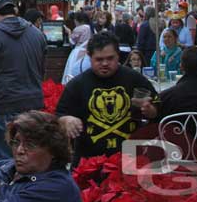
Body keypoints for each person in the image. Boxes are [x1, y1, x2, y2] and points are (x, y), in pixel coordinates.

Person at [56, 32, 160, 166]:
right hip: (89, 162)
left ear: (119, 55)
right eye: (99, 59)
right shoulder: (77, 85)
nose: (105, 63)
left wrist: (151, 110)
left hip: (130, 159)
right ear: (90, 57)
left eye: (110, 58)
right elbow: (59, 115)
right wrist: (66, 120)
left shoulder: (135, 78)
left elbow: (157, 105)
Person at [0, 111, 82, 202]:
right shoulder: (2, 166)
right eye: (16, 142)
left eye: (30, 144)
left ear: (53, 150)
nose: (19, 150)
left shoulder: (57, 187)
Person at [0, 0, 47, 162]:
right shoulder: (36, 33)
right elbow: (42, 69)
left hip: (6, 102)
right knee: (32, 155)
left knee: (6, 159)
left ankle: (10, 188)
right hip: (34, 102)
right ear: (14, 10)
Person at [159, 47, 197, 118]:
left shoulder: (169, 94)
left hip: (178, 128)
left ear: (181, 66)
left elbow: (156, 100)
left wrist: (154, 97)